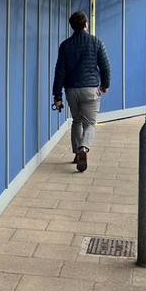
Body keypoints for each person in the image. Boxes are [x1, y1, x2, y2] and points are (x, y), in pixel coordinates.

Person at [52, 11, 111, 173]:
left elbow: (60, 71)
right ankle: (83, 149)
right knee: (90, 123)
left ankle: (77, 153)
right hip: (91, 89)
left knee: (76, 121)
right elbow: (105, 66)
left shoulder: (65, 45)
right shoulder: (95, 42)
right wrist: (105, 85)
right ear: (86, 24)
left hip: (71, 89)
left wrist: (57, 95)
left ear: (71, 26)